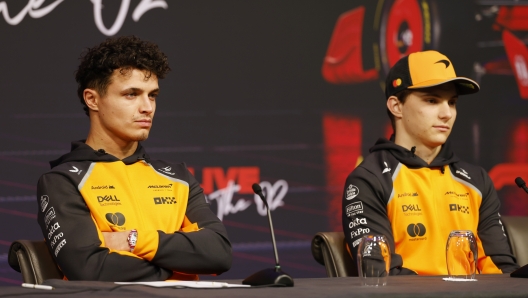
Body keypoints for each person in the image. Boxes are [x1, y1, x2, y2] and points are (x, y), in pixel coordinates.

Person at [36, 36, 232, 281]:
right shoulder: (63, 180)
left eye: (152, 96)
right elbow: (89, 268)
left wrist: (133, 241)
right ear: (92, 99)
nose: (147, 107)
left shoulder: (177, 176)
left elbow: (219, 252)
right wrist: (176, 268)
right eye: (131, 94)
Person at [342, 50, 519, 275]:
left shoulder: (477, 179)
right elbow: (382, 274)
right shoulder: (369, 179)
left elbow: (501, 270)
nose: (447, 113)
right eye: (432, 100)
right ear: (396, 106)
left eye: (452, 102)